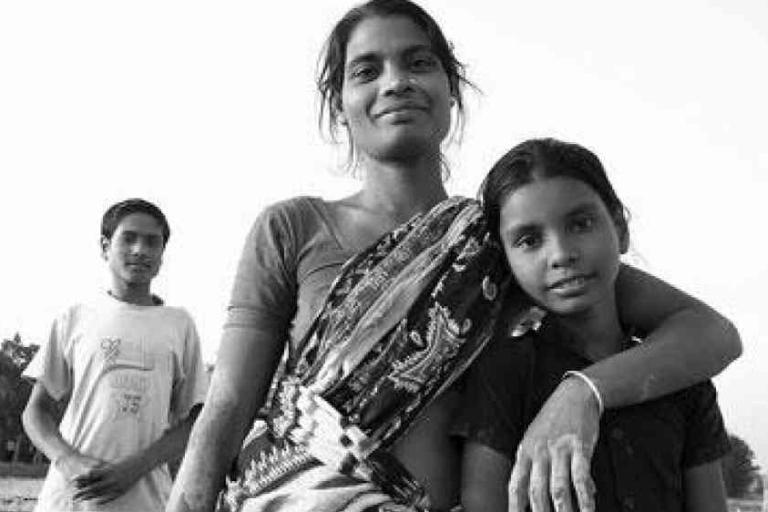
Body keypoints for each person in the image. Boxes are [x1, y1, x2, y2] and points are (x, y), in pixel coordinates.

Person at [167, 1, 741, 511]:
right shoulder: (293, 226)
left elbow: (711, 334)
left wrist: (581, 392)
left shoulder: (502, 241)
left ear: (451, 90)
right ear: (340, 104)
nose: (396, 83)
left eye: (419, 64)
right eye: (367, 71)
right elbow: (229, 403)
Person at [456, 138, 731, 512]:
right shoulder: (504, 370)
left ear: (619, 228)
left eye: (580, 224)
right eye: (529, 240)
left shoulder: (684, 381)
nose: (561, 254)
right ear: (505, 259)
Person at [22, 199, 209, 512]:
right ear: (105, 247)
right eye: (129, 238)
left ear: (162, 255)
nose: (140, 250)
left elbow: (194, 420)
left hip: (145, 499)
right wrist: (68, 461)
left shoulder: (180, 324)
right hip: (71, 499)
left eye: (153, 242)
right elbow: (35, 412)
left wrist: (135, 467)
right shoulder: (75, 318)